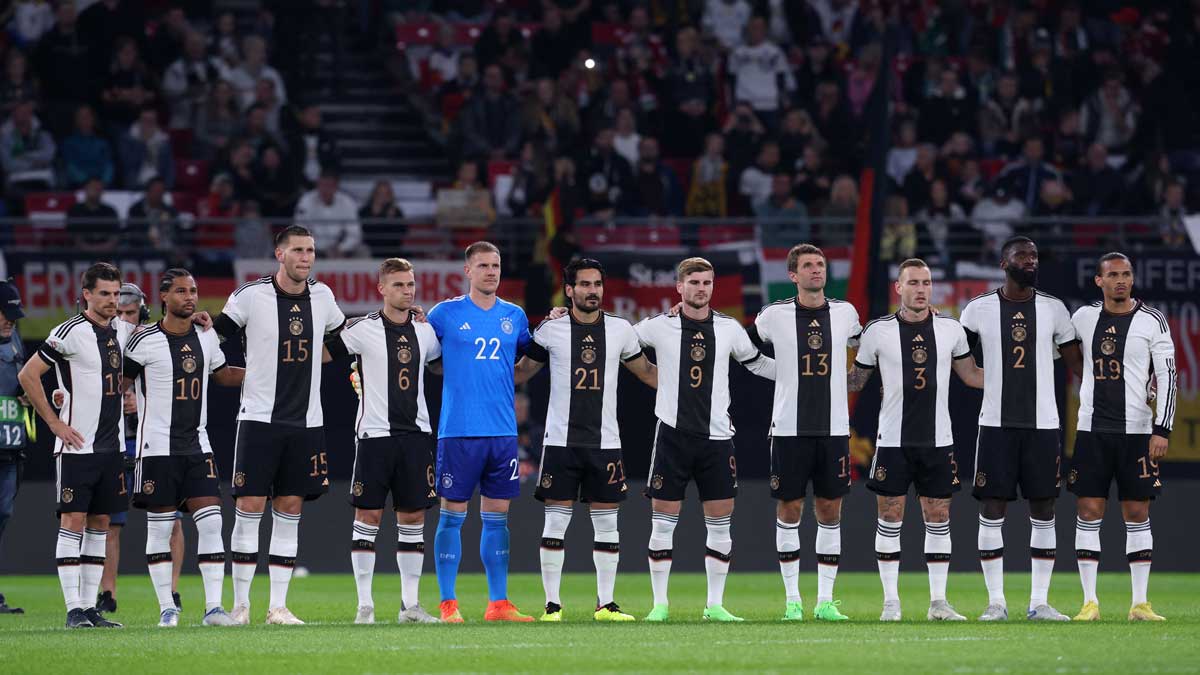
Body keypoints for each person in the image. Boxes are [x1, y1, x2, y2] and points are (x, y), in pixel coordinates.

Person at [212, 225, 347, 625]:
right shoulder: (250, 296)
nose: (306, 258)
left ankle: (278, 607)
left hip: (307, 423)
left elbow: (346, 338)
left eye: (311, 251)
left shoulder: (323, 296)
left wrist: (314, 361)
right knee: (249, 508)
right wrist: (231, 373)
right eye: (298, 250)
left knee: (290, 509)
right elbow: (213, 339)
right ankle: (239, 606)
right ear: (279, 254)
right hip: (258, 419)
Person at [513, 259, 658, 622]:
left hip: (605, 442)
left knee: (608, 525)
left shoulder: (622, 330)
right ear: (570, 290)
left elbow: (647, 373)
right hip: (561, 441)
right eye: (585, 284)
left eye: (597, 284)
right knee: (554, 524)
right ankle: (552, 605)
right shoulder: (551, 330)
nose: (593, 290)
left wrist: (695, 384)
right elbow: (520, 373)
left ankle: (606, 604)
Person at [635, 257, 776, 622]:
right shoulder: (658, 326)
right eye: (694, 282)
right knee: (663, 521)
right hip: (672, 435)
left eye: (707, 282)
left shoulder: (729, 328)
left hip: (716, 439)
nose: (701, 288)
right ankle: (659, 605)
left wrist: (795, 372)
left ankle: (714, 605)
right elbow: (617, 342)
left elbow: (756, 363)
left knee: (720, 522)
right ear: (679, 287)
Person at [847, 258, 984, 622]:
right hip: (892, 440)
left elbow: (971, 375)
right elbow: (855, 382)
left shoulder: (950, 330)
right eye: (913, 283)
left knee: (938, 516)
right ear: (899, 288)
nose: (921, 289)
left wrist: (1019, 378)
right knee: (890, 515)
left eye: (926, 283)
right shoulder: (877, 331)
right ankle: (891, 602)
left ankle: (938, 603)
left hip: (938, 440)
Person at [959, 237, 1083, 622]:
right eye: (1022, 255)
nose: (1030, 261)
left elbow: (1081, 368)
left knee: (1044, 508)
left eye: (1034, 256)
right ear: (1003, 263)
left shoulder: (1054, 309)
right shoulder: (977, 310)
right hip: (995, 425)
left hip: (1044, 425)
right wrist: (986, 380)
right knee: (993, 507)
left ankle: (1039, 602)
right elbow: (955, 356)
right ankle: (996, 602)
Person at [122, 269, 245, 626]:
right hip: (156, 449)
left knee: (211, 524)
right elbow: (118, 383)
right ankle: (167, 608)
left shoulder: (206, 337)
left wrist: (265, 373)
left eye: (193, 290)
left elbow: (222, 375)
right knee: (160, 529)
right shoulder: (142, 339)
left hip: (198, 446)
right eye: (181, 291)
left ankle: (213, 609)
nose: (189, 297)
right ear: (164, 297)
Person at [323, 258, 443, 625]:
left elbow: (438, 364)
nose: (407, 291)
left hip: (416, 436)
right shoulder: (362, 329)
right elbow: (325, 353)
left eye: (410, 284)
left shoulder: (426, 332)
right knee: (369, 516)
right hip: (375, 437)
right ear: (382, 289)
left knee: (412, 517)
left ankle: (410, 606)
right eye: (398, 285)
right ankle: (365, 605)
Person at [425, 241, 536, 623]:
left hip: (502, 432)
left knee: (497, 517)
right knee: (452, 516)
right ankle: (448, 604)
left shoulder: (515, 316)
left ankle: (498, 604)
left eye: (496, 265)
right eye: (484, 265)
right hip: (458, 430)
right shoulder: (444, 314)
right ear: (467, 271)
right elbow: (427, 358)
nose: (492, 271)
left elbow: (527, 361)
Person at [18, 263, 133, 629]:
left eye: (116, 294)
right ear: (86, 293)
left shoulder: (121, 330)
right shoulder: (69, 331)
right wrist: (54, 423)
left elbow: (160, 335)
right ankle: (72, 609)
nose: (112, 301)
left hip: (112, 448)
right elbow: (27, 375)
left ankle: (89, 608)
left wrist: (198, 319)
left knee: (100, 523)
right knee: (73, 521)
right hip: (78, 448)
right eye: (105, 294)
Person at [752, 244, 861, 621]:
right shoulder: (772, 316)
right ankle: (793, 600)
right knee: (790, 508)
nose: (817, 270)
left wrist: (853, 381)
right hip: (788, 429)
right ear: (793, 275)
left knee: (831, 510)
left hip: (832, 430)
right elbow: (752, 359)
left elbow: (863, 351)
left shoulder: (846, 313)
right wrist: (784, 374)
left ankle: (826, 601)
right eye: (808, 266)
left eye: (821, 264)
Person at [1069, 252, 1176, 622]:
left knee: (1136, 512)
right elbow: (1052, 339)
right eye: (1113, 275)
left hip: (1137, 432)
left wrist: (1162, 428)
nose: (1121, 280)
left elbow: (1168, 377)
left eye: (1126, 274)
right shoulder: (1083, 318)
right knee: (1089, 510)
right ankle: (1089, 602)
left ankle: (1140, 604)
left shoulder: (1152, 320)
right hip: (1092, 429)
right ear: (1099, 281)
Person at [95, 283, 184, 616]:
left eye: (130, 313)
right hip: (114, 440)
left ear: (142, 313)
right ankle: (108, 591)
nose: (124, 320)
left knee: (170, 519)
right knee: (108, 521)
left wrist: (140, 398)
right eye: (120, 313)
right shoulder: (98, 339)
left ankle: (172, 590)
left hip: (153, 439)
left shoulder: (154, 338)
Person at [0, 280, 27, 615]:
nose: (10, 321)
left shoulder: (15, 340)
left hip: (10, 444)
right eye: (5, 314)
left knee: (2, 516)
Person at [293, 170, 364, 258]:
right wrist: (316, 248)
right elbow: (299, 231)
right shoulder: (306, 201)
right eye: (323, 185)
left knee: (363, 251)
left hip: (341, 250)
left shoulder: (347, 202)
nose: (325, 190)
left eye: (329, 186)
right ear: (318, 185)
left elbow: (355, 234)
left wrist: (342, 248)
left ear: (336, 186)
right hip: (313, 249)